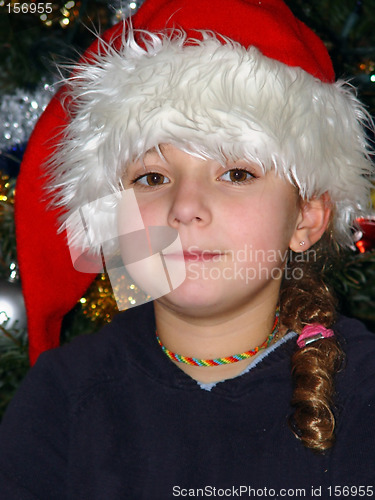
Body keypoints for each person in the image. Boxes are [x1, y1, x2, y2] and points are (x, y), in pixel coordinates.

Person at [1, 0, 375, 498]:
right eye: (152, 178)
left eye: (236, 174)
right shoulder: (62, 396)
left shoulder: (365, 392)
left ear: (307, 217)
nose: (186, 207)